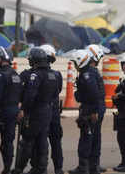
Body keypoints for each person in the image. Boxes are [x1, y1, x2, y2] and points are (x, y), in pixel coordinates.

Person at [12, 47, 60, 174]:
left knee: (27, 141)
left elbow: (30, 95)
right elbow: (56, 93)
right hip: (47, 110)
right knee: (42, 140)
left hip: (35, 111)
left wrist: (23, 109)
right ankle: (41, 168)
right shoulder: (52, 75)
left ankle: (18, 169)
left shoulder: (35, 75)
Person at [69, 49, 106, 174]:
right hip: (95, 107)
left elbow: (94, 94)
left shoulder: (87, 75)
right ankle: (93, 167)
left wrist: (94, 111)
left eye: (75, 63)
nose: (74, 66)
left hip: (91, 108)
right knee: (95, 137)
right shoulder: (90, 72)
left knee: (86, 138)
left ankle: (83, 167)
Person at [0, 46, 22, 174]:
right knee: (8, 142)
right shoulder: (16, 75)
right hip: (13, 112)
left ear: (3, 59)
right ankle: (7, 169)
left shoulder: (0, 75)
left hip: (1, 112)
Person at [40, 44, 64, 174]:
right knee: (55, 141)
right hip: (54, 111)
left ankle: (42, 167)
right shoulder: (57, 74)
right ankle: (58, 168)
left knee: (42, 140)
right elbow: (58, 90)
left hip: (43, 112)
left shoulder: (37, 74)